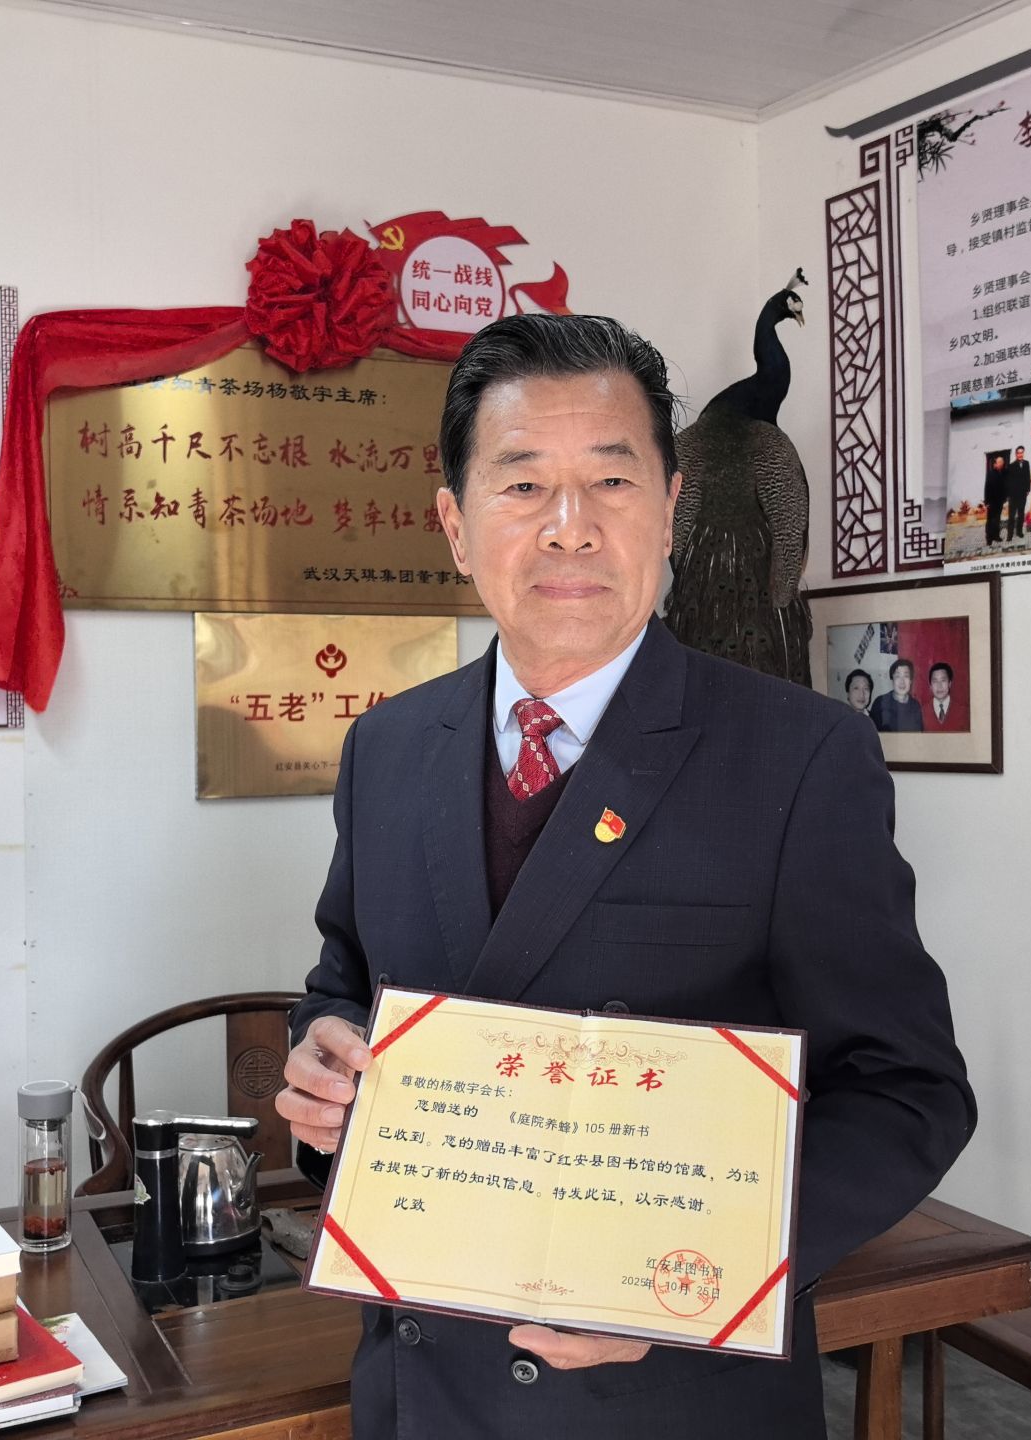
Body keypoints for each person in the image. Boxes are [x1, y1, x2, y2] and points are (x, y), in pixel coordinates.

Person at [277, 314, 973, 1440]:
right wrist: (323, 1051)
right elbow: (345, 982)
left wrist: (697, 1278)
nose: (571, 527)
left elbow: (906, 1090)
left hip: (666, 1400)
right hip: (421, 1389)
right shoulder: (389, 748)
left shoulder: (798, 757)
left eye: (611, 480)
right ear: (455, 526)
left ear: (670, 507)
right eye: (521, 486)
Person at [870, 657, 925, 732]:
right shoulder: (880, 703)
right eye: (897, 676)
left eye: (906, 676)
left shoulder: (915, 706)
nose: (902, 681)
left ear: (911, 681)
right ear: (892, 679)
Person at [927, 661, 964, 731]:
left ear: (949, 683)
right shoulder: (921, 712)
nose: (939, 686)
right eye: (935, 681)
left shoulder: (963, 712)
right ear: (930, 686)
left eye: (943, 680)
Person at [1004, 445, 1031, 542]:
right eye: (1018, 453)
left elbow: (1028, 477)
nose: (1020, 455)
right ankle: (1010, 535)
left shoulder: (1026, 463)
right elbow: (1008, 481)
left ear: (1023, 453)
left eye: (1021, 453)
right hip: (1013, 495)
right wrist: (1008, 495)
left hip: (1023, 494)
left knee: (1021, 514)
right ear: (1016, 454)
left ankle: (1019, 532)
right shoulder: (1011, 466)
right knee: (1011, 516)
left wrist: (1028, 489)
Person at [982, 454, 1007, 547]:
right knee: (990, 521)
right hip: (992, 502)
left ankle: (996, 536)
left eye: (1002, 462)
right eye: (999, 462)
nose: (1001, 464)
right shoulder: (990, 473)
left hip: (999, 501)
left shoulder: (1002, 473)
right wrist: (987, 502)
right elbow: (987, 488)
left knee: (997, 520)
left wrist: (1004, 498)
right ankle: (989, 538)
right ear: (995, 464)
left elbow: (1004, 487)